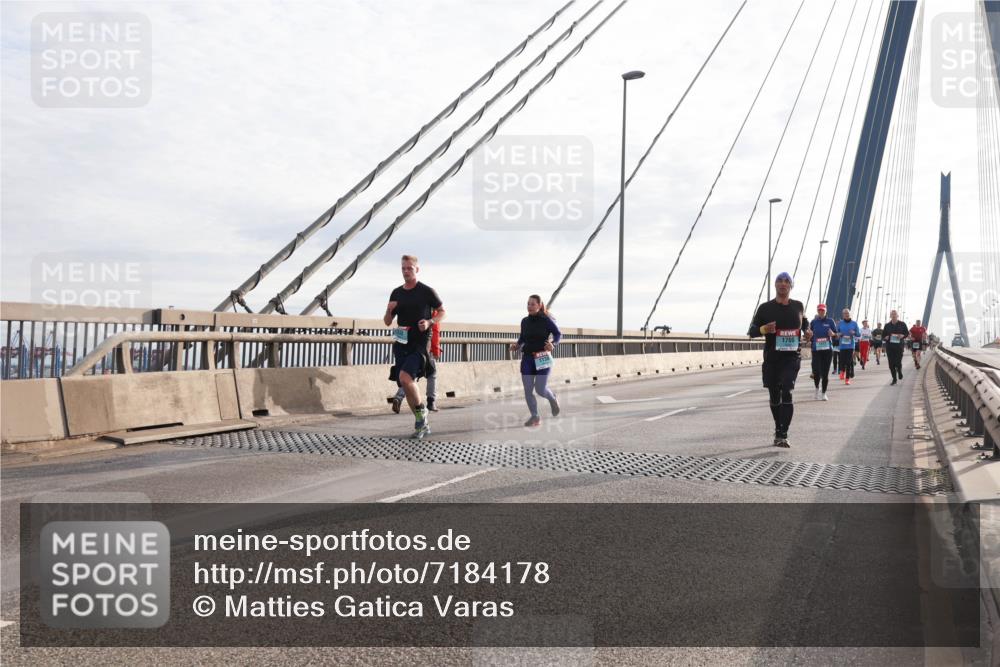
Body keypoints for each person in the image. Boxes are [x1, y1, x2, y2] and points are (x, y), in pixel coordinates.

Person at [384, 255, 445, 439]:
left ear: (417, 269)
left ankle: (422, 414)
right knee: (405, 383)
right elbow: (387, 322)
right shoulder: (396, 293)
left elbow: (443, 311)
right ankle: (421, 422)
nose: (406, 271)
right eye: (403, 268)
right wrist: (389, 310)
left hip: (420, 345)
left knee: (405, 378)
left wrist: (429, 321)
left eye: (410, 268)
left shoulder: (426, 291)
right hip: (401, 343)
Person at [749, 272, 811, 448]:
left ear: (791, 286)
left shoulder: (798, 306)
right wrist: (764, 329)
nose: (783, 284)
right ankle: (778, 428)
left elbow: (805, 322)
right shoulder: (765, 308)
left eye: (786, 281)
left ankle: (783, 434)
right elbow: (752, 331)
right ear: (775, 285)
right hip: (772, 358)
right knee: (774, 395)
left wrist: (807, 331)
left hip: (792, 357)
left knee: (787, 390)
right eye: (779, 281)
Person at [509, 295, 561, 427]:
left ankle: (552, 398)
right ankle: (535, 416)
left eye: (532, 304)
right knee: (527, 390)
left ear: (539, 305)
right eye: (528, 304)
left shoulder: (546, 320)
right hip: (527, 358)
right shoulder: (524, 321)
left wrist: (553, 344)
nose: (529, 306)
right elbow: (522, 337)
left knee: (540, 389)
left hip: (542, 355)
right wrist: (517, 345)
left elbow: (558, 334)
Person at [392, 308, 441, 414]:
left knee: (408, 376)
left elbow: (399, 329)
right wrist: (436, 350)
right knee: (432, 373)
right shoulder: (430, 312)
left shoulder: (408, 306)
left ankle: (398, 397)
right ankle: (431, 402)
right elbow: (435, 331)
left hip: (404, 349)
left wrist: (398, 350)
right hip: (422, 350)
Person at [809, 303, 837, 401]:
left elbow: (836, 334)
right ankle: (817, 388)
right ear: (817, 311)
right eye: (819, 310)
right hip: (816, 350)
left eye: (823, 310)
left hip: (827, 350)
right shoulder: (813, 322)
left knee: (825, 373)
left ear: (826, 311)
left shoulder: (830, 321)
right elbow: (809, 335)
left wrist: (833, 334)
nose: (821, 312)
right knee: (816, 372)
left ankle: (824, 393)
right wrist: (809, 336)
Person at [883, 310, 909, 385]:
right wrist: (886, 337)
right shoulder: (887, 325)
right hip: (890, 347)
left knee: (898, 362)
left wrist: (902, 336)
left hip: (899, 347)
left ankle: (899, 371)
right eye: (892, 314)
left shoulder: (902, 324)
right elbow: (883, 335)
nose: (894, 316)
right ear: (890, 316)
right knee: (891, 364)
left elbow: (906, 333)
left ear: (897, 316)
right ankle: (894, 379)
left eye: (895, 314)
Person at [837, 309, 861, 385]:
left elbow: (858, 334)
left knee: (848, 362)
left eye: (847, 313)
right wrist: (839, 334)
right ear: (843, 315)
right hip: (842, 346)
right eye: (845, 313)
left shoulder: (854, 323)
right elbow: (836, 333)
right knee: (842, 361)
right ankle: (842, 371)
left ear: (850, 314)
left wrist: (854, 332)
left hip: (850, 346)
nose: (846, 315)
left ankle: (847, 379)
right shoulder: (840, 323)